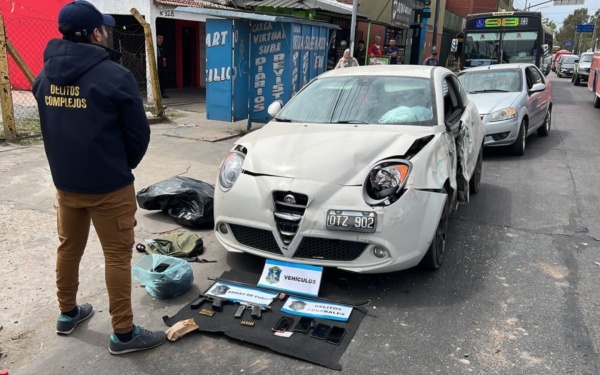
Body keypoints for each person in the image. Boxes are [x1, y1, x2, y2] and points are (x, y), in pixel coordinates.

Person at [32, 0, 166, 355]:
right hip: (110, 187)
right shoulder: (115, 76)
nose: (106, 32)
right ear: (95, 33)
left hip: (66, 185)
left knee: (68, 249)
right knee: (117, 258)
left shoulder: (43, 76)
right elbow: (138, 136)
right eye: (103, 28)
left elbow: (51, 127)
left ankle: (67, 313)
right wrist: (121, 167)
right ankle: (123, 335)